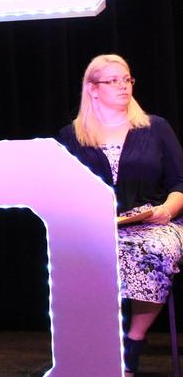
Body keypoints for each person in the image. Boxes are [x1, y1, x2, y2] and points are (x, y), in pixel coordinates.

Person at [56, 54, 183, 376]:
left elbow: (180, 182)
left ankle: (132, 343)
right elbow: (60, 189)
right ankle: (95, 345)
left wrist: (167, 210)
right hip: (97, 225)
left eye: (127, 79)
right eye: (113, 81)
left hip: (153, 221)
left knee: (153, 250)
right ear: (93, 89)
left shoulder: (155, 128)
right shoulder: (71, 136)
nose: (123, 86)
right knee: (77, 254)